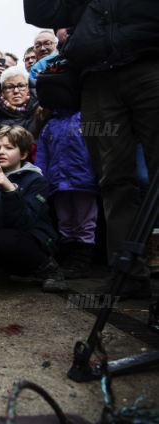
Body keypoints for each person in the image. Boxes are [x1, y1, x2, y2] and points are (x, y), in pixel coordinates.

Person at [24, 0, 159, 299]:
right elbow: (40, 13)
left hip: (150, 64)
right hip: (97, 78)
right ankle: (127, 274)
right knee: (113, 180)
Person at [0, 126, 65, 292]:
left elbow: (24, 222)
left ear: (24, 154)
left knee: (7, 237)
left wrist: (9, 189)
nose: (0, 152)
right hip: (5, 241)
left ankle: (50, 270)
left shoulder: (36, 180)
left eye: (9, 148)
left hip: (30, 243)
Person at [35, 111, 99, 279]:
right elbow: (42, 155)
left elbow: (96, 149)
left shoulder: (84, 118)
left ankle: (82, 260)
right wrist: (41, 179)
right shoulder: (49, 125)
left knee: (85, 221)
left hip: (83, 181)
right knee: (65, 221)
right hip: (58, 182)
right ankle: (69, 258)